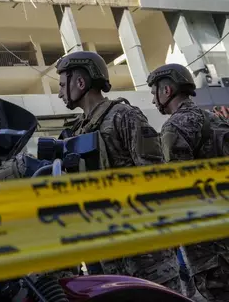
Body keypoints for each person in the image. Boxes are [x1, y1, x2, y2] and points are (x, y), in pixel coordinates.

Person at [56, 51, 179, 292]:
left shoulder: (124, 116)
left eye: (62, 85)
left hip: (145, 258)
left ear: (80, 82)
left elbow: (156, 178)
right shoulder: (77, 132)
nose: (60, 92)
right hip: (105, 259)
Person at [148, 63, 229, 301]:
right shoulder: (215, 119)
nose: (153, 99)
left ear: (167, 91)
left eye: (154, 92)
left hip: (209, 245)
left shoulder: (174, 126)